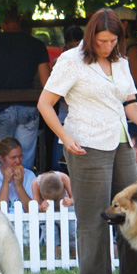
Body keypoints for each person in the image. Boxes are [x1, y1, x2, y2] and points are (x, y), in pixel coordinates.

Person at [37, 8, 137, 274]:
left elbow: (131, 107)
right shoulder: (71, 61)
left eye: (112, 41)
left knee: (134, 213)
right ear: (91, 36)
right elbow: (44, 103)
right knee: (93, 220)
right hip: (86, 145)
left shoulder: (121, 62)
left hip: (122, 144)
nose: (106, 46)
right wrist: (66, 137)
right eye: (101, 41)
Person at [0, 9, 51, 170]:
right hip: (28, 108)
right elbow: (46, 83)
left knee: (5, 162)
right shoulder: (36, 44)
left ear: (1, 22)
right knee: (25, 161)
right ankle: (25, 194)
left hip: (1, 108)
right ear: (21, 18)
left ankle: (6, 195)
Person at [50, 25, 85, 171]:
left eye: (78, 46)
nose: (75, 51)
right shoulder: (59, 62)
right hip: (64, 119)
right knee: (58, 165)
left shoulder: (89, 62)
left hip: (84, 121)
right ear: (65, 45)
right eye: (71, 47)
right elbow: (54, 95)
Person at [0, 137, 36, 213]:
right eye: (13, 157)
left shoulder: (29, 175)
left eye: (20, 156)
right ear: (1, 159)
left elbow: (32, 211)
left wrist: (19, 186)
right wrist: (5, 182)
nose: (18, 161)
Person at [32, 170, 76, 257]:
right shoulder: (35, 183)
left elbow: (75, 197)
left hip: (65, 208)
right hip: (47, 211)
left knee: (71, 232)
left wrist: (70, 201)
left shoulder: (64, 177)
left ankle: (74, 256)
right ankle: (53, 257)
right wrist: (41, 207)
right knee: (50, 234)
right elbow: (35, 205)